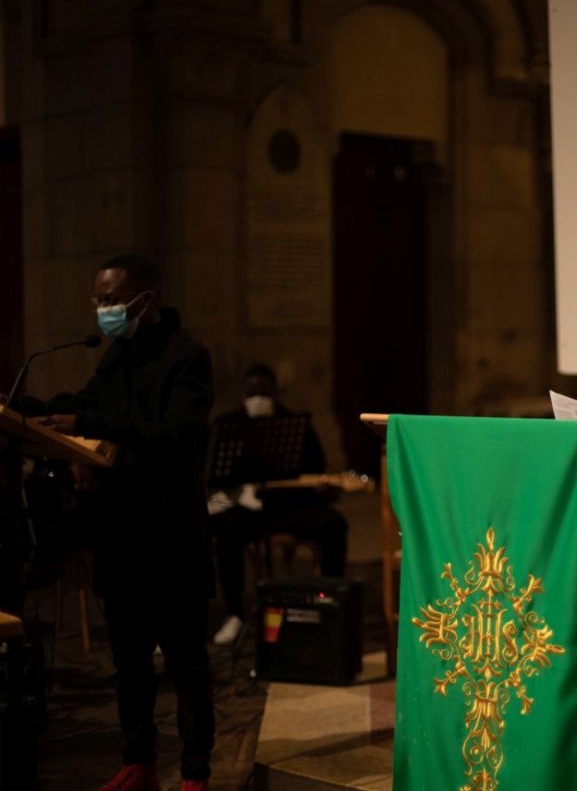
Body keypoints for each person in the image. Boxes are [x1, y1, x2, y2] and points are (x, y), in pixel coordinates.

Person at [34, 253, 216, 791]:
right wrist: (25, 410)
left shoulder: (188, 358)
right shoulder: (116, 356)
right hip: (121, 535)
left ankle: (195, 774)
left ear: (146, 300)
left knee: (186, 667)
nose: (103, 309)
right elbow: (82, 406)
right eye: (98, 300)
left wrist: (88, 420)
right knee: (129, 663)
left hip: (171, 538)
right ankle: (139, 763)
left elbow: (177, 435)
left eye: (111, 299)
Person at [207, 364, 348, 645]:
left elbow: (315, 471)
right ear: (242, 394)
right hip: (247, 509)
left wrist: (322, 488)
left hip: (289, 507)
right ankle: (234, 613)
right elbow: (213, 474)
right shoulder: (227, 425)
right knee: (225, 533)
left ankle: (329, 602)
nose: (258, 397)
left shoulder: (296, 425)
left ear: (275, 393)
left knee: (334, 525)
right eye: (252, 391)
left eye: (264, 391)